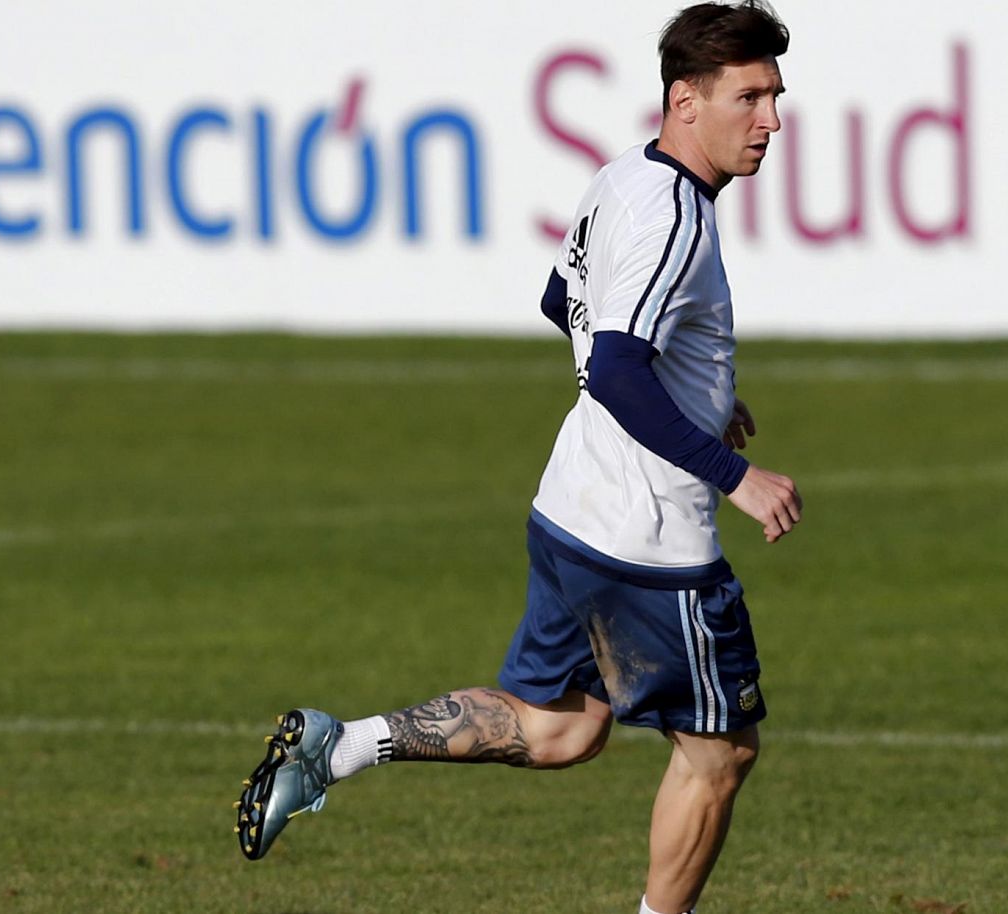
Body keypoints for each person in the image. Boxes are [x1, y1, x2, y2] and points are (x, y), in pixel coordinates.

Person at [233, 4, 799, 913]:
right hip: (647, 544)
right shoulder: (678, 220)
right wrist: (736, 475)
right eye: (751, 96)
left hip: (571, 509)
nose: (771, 119)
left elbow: (560, 301)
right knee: (720, 751)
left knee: (561, 729)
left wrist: (697, 398)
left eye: (775, 95)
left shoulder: (621, 179)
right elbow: (616, 365)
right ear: (685, 101)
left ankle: (338, 747)